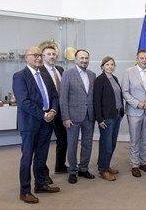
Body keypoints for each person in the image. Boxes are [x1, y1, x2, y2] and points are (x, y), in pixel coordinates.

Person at [13, 47, 60, 204]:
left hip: (46, 122)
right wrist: (43, 114)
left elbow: (54, 96)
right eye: (35, 55)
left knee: (41, 156)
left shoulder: (45, 76)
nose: (39, 58)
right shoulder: (20, 76)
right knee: (27, 157)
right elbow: (24, 102)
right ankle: (25, 191)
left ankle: (40, 184)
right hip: (30, 123)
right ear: (26, 57)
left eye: (40, 55)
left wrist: (52, 110)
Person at [60, 49, 96, 184]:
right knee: (72, 144)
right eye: (81, 58)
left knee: (87, 144)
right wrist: (65, 117)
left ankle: (83, 169)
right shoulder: (68, 74)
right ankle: (73, 171)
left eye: (86, 58)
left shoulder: (92, 75)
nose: (84, 61)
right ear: (75, 59)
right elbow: (63, 98)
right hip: (72, 116)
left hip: (89, 116)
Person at [121, 49, 146, 178]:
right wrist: (138, 104)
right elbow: (125, 92)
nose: (144, 60)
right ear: (137, 59)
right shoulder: (129, 72)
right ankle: (134, 164)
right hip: (134, 111)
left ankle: (144, 162)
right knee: (135, 139)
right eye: (142, 58)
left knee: (145, 138)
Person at [40, 46, 68, 182]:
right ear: (43, 56)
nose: (52, 56)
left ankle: (60, 165)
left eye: (53, 54)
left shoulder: (60, 70)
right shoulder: (39, 71)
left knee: (63, 139)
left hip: (61, 110)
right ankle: (44, 174)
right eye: (48, 54)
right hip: (47, 112)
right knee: (43, 143)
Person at [93, 56, 124, 181]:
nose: (110, 66)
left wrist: (121, 112)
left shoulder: (115, 78)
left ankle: (104, 165)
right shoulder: (100, 80)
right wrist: (99, 119)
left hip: (116, 115)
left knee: (112, 143)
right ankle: (103, 170)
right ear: (102, 67)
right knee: (106, 144)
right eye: (107, 65)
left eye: (112, 64)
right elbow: (96, 101)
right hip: (106, 118)